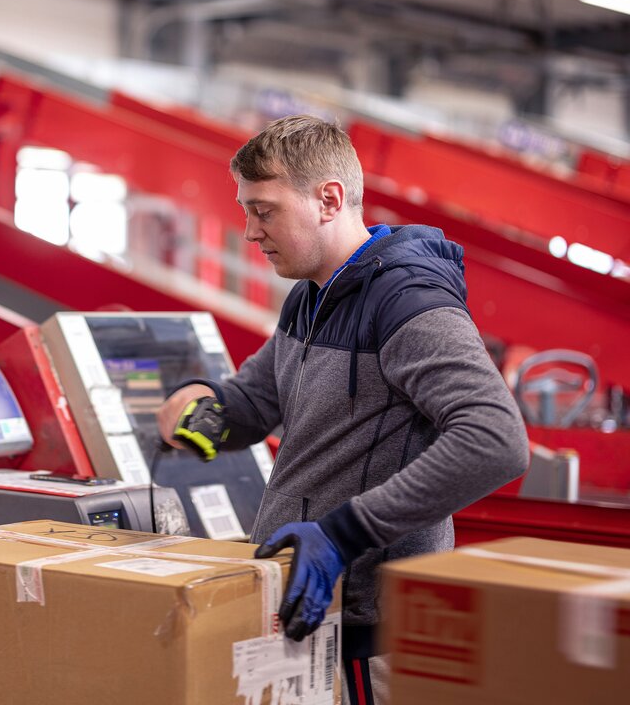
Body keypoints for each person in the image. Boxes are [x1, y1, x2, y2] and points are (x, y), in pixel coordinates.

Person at [156, 115, 529, 705]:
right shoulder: (310, 296)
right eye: (247, 210)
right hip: (309, 609)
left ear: (328, 199)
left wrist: (344, 534)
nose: (250, 231)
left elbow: (496, 439)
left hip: (369, 633)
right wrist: (204, 407)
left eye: (265, 209)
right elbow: (256, 401)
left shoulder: (408, 301)